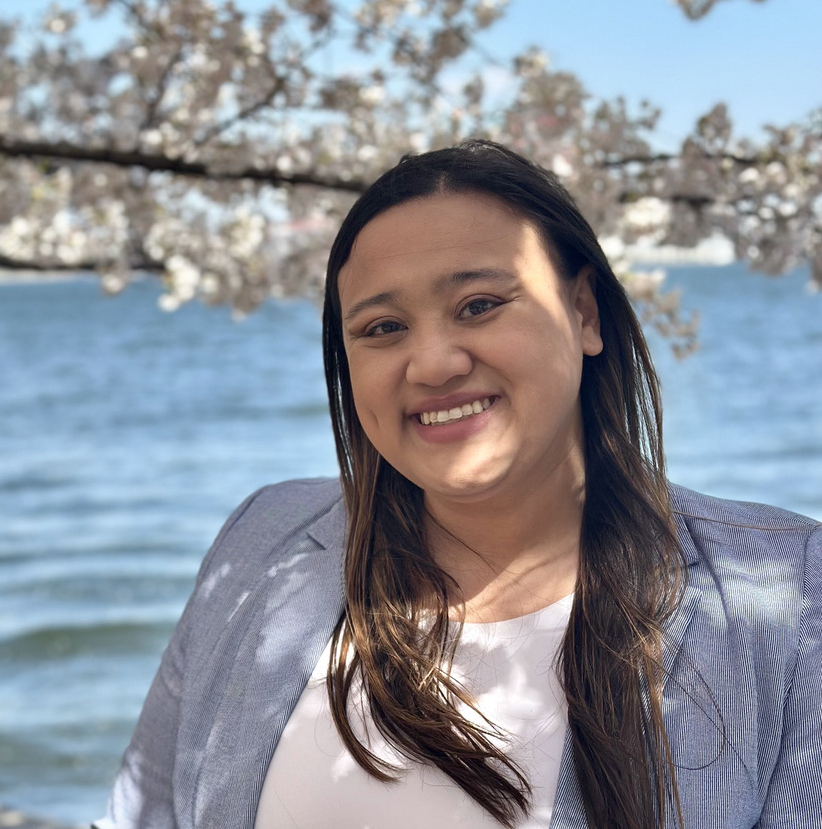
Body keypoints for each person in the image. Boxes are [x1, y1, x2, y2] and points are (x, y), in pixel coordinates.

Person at [94, 140, 821, 829]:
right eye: (382, 328)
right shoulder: (263, 536)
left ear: (584, 313)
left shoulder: (786, 594)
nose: (434, 364)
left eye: (478, 305)